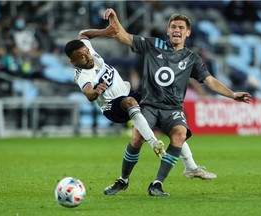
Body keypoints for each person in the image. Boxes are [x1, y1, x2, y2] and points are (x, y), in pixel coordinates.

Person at [102, 8, 252, 197]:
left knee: (180, 135)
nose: (177, 30)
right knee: (137, 138)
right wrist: (115, 18)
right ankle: (123, 180)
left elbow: (210, 81)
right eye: (173, 26)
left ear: (188, 32)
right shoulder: (153, 45)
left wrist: (232, 94)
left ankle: (157, 184)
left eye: (181, 27)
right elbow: (123, 36)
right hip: (149, 105)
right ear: (167, 30)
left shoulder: (192, 58)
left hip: (173, 109)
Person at [64, 25, 166, 159]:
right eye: (82, 57)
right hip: (112, 107)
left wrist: (104, 32)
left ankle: (190, 165)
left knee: (161, 108)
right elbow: (88, 94)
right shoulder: (81, 74)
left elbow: (83, 34)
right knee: (130, 102)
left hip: (127, 93)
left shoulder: (90, 54)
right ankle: (154, 143)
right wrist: (95, 91)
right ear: (73, 62)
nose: (88, 57)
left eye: (87, 52)